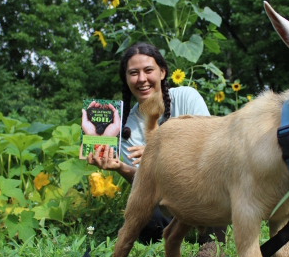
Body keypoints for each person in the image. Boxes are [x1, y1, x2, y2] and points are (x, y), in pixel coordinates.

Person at [86, 42, 225, 244]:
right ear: (126, 79)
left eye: (148, 70)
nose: (141, 79)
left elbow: (210, 147)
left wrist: (160, 155)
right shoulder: (125, 127)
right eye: (133, 73)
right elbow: (144, 183)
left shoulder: (187, 96)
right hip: (167, 198)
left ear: (162, 72)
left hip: (203, 184)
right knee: (149, 216)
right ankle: (167, 248)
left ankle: (212, 251)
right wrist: (120, 167)